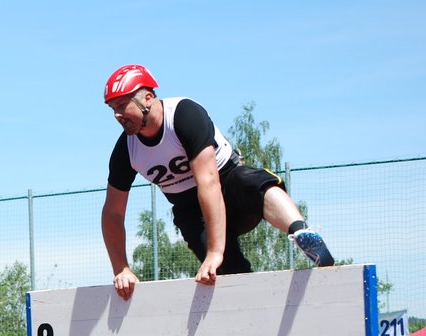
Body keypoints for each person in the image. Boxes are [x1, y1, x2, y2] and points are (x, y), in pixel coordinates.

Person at [100, 64, 335, 301]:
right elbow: (113, 213)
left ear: (148, 98)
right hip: (191, 211)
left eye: (121, 106)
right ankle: (251, 307)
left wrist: (215, 251)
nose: (116, 115)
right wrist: (121, 268)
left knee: (252, 182)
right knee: (226, 273)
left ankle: (301, 232)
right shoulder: (126, 151)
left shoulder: (183, 115)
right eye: (112, 109)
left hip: (226, 184)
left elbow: (209, 182)